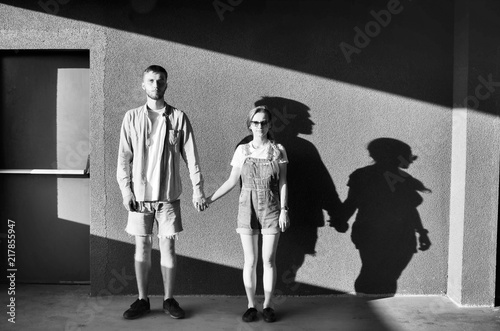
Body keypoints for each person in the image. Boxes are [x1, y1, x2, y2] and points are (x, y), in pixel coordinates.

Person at [116, 65, 207, 320]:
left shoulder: (178, 118)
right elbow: (123, 159)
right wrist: (126, 191)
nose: (156, 85)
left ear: (167, 85)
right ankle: (142, 300)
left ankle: (168, 300)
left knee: (168, 249)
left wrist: (197, 190)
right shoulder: (131, 118)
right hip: (140, 198)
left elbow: (192, 157)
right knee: (142, 247)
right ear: (143, 84)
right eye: (151, 80)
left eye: (161, 81)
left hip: (168, 197)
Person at [207, 105, 290, 323]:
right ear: (249, 125)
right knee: (250, 260)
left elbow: (282, 182)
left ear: (270, 124)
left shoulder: (278, 149)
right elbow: (232, 181)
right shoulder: (242, 151)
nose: (259, 126)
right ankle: (251, 305)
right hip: (247, 207)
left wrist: (284, 210)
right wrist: (209, 199)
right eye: (255, 122)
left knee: (269, 260)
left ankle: (269, 305)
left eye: (263, 122)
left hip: (271, 208)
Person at [330, 137, 431, 294]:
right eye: (407, 155)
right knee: (382, 276)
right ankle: (370, 305)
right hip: (395, 235)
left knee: (374, 273)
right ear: (395, 156)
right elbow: (410, 209)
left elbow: (352, 203)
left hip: (376, 234)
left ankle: (367, 306)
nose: (411, 161)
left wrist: (340, 220)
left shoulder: (363, 175)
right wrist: (422, 233)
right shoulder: (402, 179)